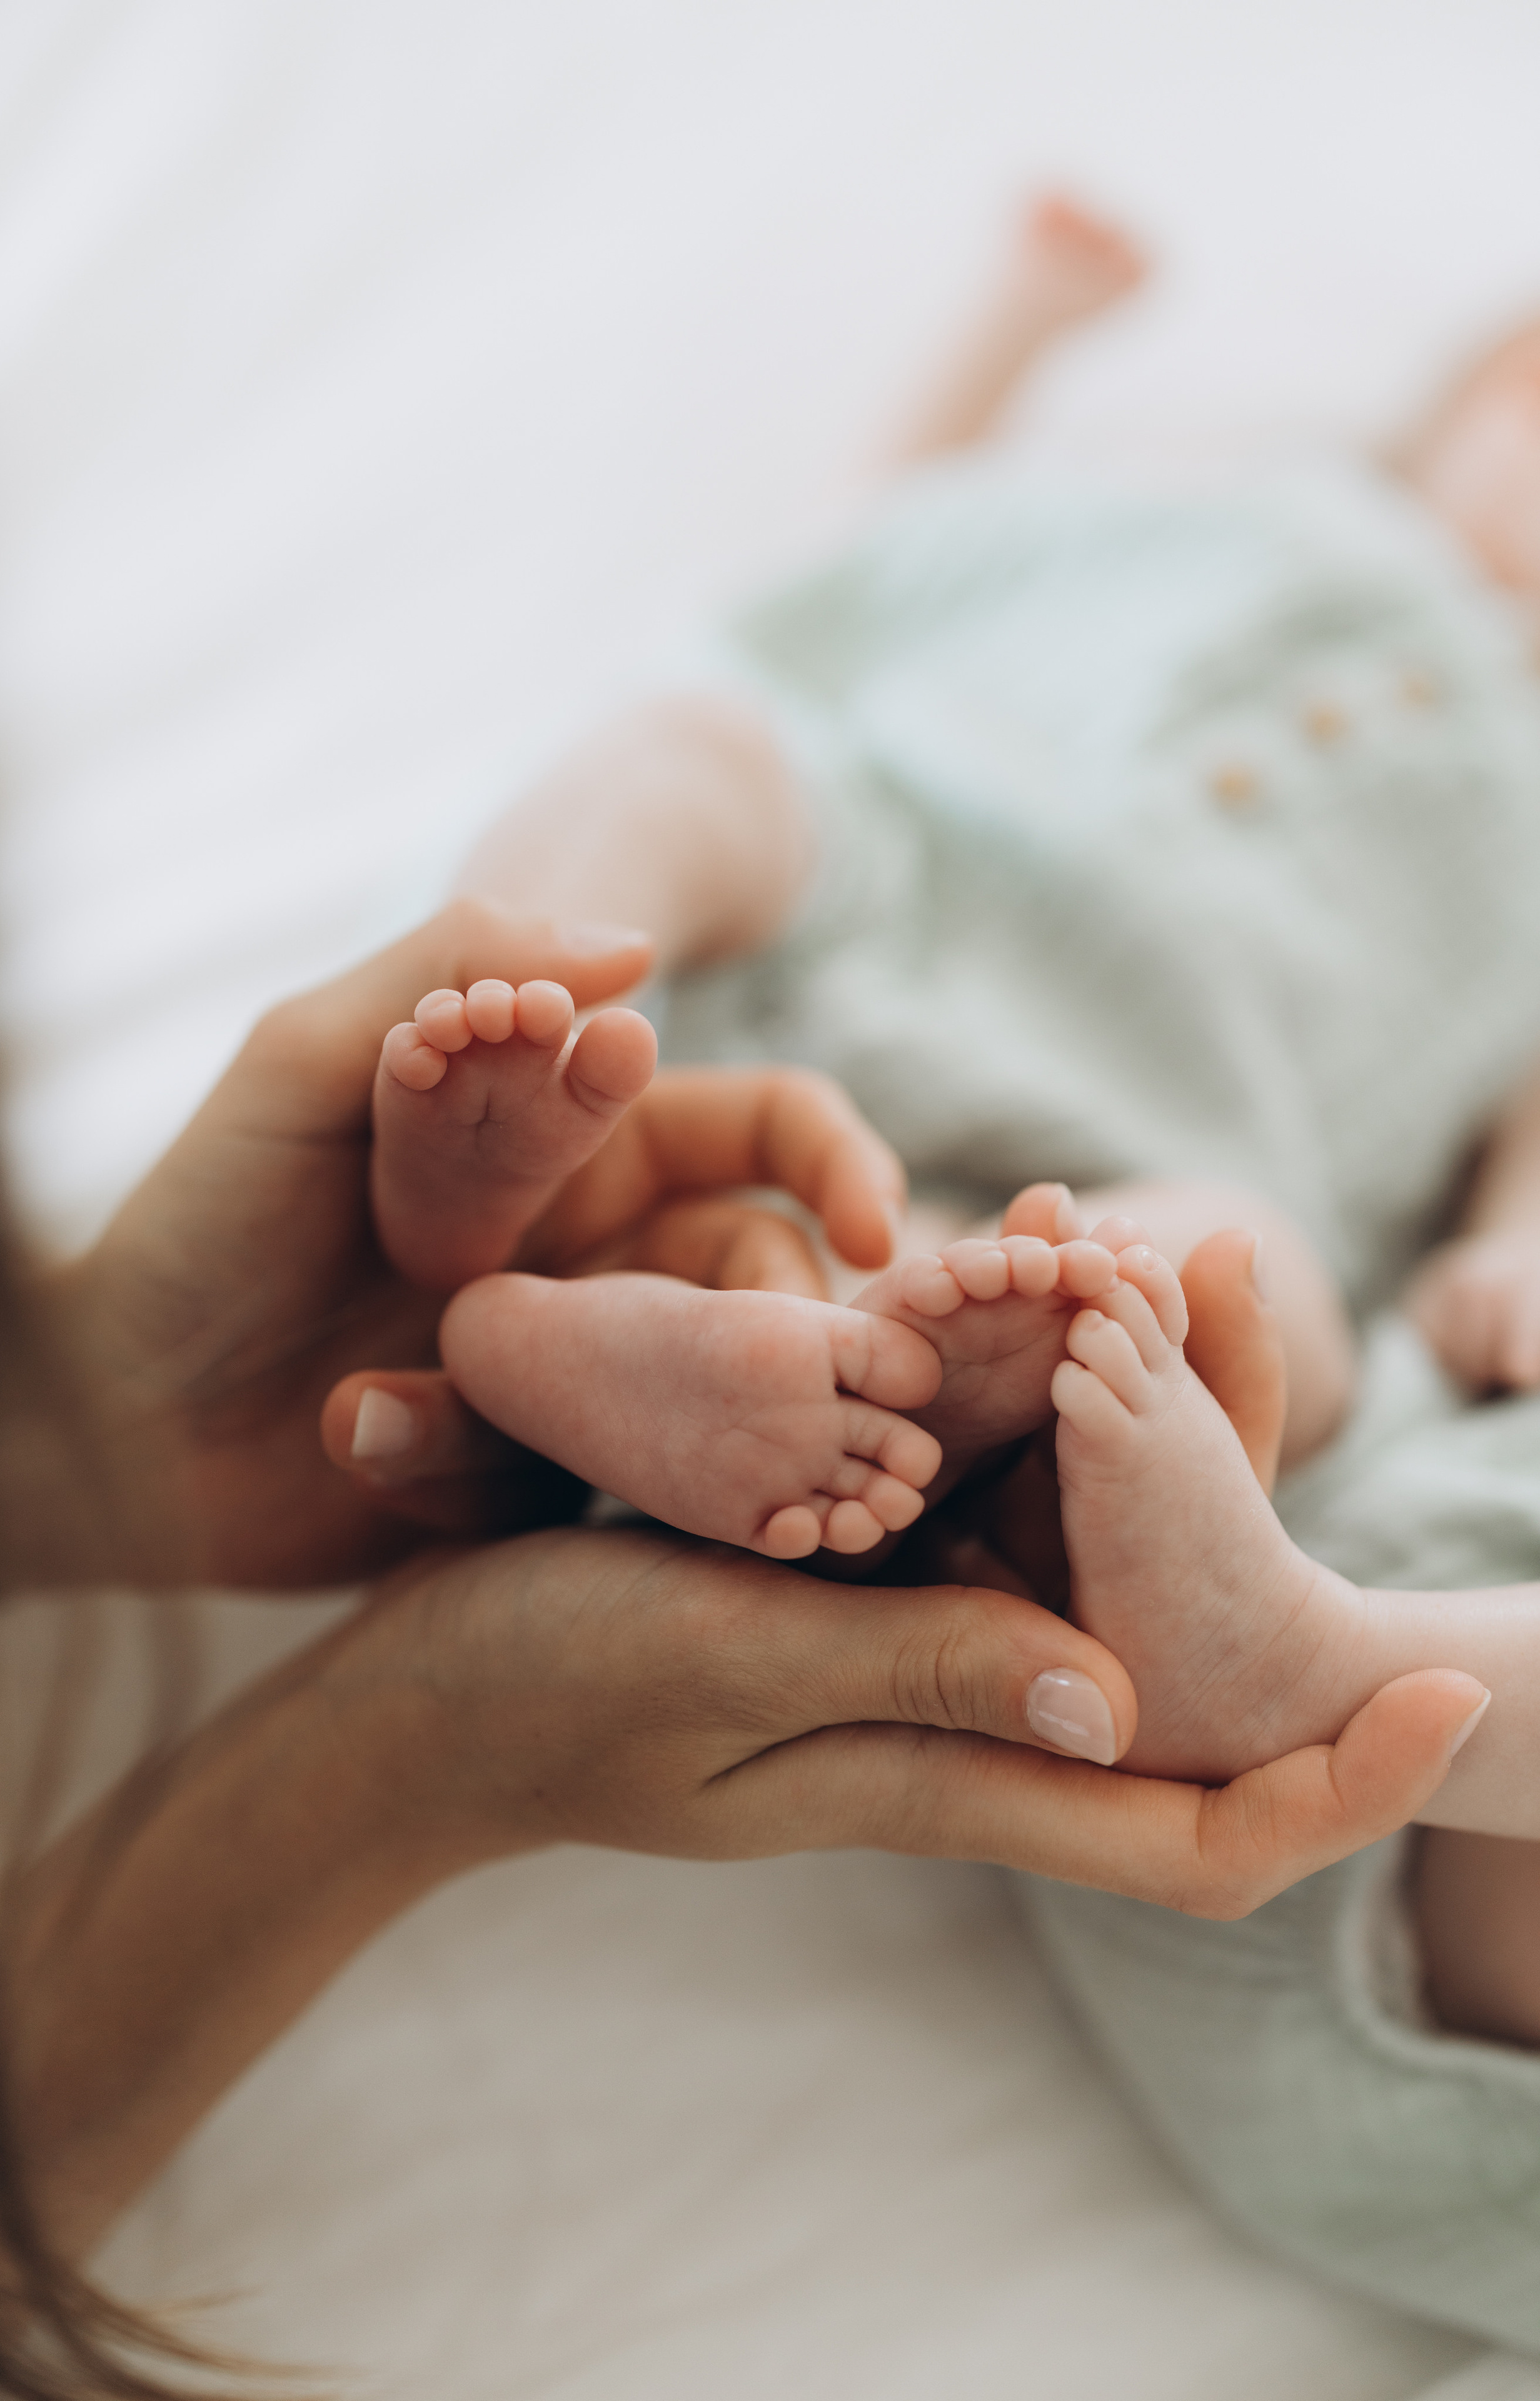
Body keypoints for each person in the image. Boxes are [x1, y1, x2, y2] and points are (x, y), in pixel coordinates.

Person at [432, 196, 1540, 2348]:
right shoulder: (1232, 518)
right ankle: (518, 1030)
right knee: (691, 761)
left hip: (1145, 1156)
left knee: (1236, 1283)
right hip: (888, 885)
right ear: (1485, 404)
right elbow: (866, 572)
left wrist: (1506, 1246)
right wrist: (1008, 338)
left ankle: (753, 1351)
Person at [0, 881, 1475, 2393]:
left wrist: (66, 1440)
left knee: (1184, 1277)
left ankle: (761, 1347)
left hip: (1344, 1675)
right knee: (1218, 1264)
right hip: (1330, 1541)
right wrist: (423, 1728)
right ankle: (848, 1352)